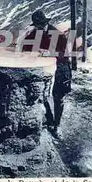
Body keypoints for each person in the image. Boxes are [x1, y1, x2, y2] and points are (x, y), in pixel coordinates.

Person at [20, 10, 77, 138]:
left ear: (45, 22)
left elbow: (65, 54)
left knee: (59, 98)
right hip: (46, 69)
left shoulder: (58, 35)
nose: (38, 27)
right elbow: (24, 45)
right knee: (42, 95)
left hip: (61, 68)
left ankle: (57, 126)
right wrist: (33, 49)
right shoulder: (36, 33)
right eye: (36, 25)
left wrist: (50, 53)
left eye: (40, 24)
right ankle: (49, 119)